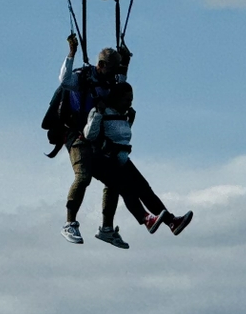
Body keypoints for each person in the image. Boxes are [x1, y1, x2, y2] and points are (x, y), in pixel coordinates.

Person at [76, 69, 192, 248]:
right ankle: (145, 218)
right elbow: (90, 135)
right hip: (103, 160)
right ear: (117, 98)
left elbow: (120, 135)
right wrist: (98, 113)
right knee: (126, 188)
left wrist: (130, 121)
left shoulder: (123, 114)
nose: (130, 103)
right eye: (127, 99)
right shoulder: (101, 111)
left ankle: (170, 221)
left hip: (119, 159)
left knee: (144, 188)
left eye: (131, 99)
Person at [42, 33, 111, 244]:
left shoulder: (108, 84)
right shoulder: (82, 79)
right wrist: (72, 54)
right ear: (101, 65)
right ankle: (69, 223)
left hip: (94, 134)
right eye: (112, 68)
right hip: (74, 133)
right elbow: (64, 80)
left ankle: (107, 227)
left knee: (113, 180)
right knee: (83, 176)